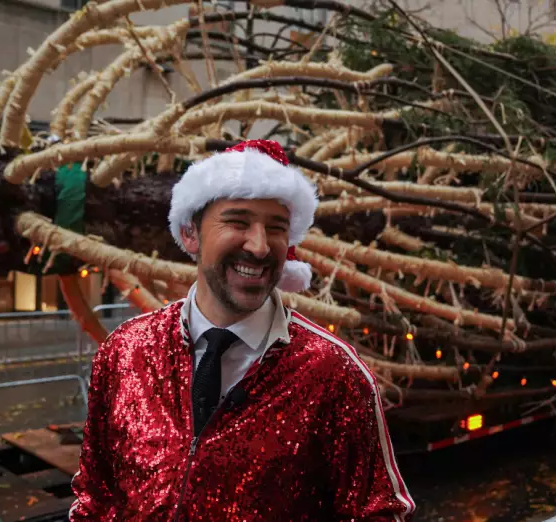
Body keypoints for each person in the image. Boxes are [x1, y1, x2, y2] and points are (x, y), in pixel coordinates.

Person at [70, 140, 415, 521]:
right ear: (190, 234)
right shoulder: (125, 351)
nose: (260, 245)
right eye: (238, 222)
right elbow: (94, 497)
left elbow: (380, 513)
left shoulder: (334, 373)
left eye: (276, 227)